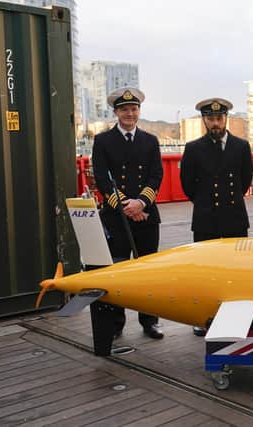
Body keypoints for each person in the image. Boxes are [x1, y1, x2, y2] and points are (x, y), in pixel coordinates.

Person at [92, 87, 164, 340]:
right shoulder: (102, 141)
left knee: (148, 273)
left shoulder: (150, 141)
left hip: (146, 216)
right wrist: (127, 208)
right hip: (117, 217)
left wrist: (141, 204)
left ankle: (150, 321)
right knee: (118, 271)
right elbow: (102, 179)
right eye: (124, 109)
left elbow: (156, 176)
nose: (129, 113)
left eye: (134, 109)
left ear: (139, 111)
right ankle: (115, 323)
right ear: (116, 112)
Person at [180, 98, 253, 335]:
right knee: (205, 271)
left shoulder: (241, 146)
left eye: (219, 118)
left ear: (226, 119)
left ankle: (236, 317)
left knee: (236, 270)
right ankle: (204, 316)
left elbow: (244, 180)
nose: (215, 123)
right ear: (204, 120)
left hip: (234, 216)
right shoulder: (192, 149)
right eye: (210, 119)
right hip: (205, 218)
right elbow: (187, 185)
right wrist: (205, 202)